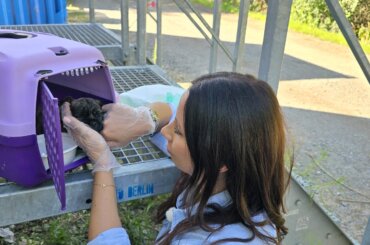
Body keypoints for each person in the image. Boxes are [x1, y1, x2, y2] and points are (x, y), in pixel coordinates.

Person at [62, 72, 291, 244]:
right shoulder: (228, 178)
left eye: (178, 131)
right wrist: (147, 119)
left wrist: (103, 162)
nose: (165, 132)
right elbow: (167, 108)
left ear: (220, 158)